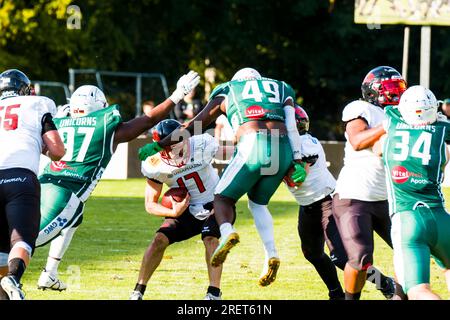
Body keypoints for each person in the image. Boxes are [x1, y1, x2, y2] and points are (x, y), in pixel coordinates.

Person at [138, 67, 307, 286]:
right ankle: (270, 253)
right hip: (281, 146)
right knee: (258, 204)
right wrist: (297, 160)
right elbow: (292, 127)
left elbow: (195, 125)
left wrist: (158, 146)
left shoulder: (228, 89)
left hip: (252, 142)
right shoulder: (282, 87)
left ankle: (227, 232)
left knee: (222, 198)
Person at [35, 71, 200, 291]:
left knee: (74, 219)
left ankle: (50, 273)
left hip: (42, 181)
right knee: (24, 243)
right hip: (66, 192)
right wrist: (178, 94)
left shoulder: (58, 121)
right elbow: (149, 119)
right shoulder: (103, 127)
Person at [332, 66, 407, 300]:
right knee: (360, 258)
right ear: (373, 91)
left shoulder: (404, 114)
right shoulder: (361, 109)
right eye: (391, 89)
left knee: (409, 252)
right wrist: (388, 125)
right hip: (354, 196)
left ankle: (397, 295)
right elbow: (356, 140)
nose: (396, 95)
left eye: (399, 89)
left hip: (388, 197)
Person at [130, 119, 224, 300]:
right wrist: (173, 212)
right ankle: (138, 291)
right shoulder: (154, 163)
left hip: (215, 203)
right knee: (159, 239)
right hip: (185, 209)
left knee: (210, 238)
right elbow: (150, 204)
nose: (175, 150)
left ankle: (213, 293)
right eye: (169, 146)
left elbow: (233, 156)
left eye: (178, 144)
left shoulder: (203, 143)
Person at [375, 85, 450, 300]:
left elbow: (376, 148)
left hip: (407, 218)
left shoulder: (387, 136)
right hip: (441, 217)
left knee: (418, 290)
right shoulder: (442, 144)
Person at [0, 69, 65, 300]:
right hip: (20, 179)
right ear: (24, 89)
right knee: (22, 240)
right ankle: (13, 278)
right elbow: (57, 150)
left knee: (1, 251)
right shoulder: (37, 104)